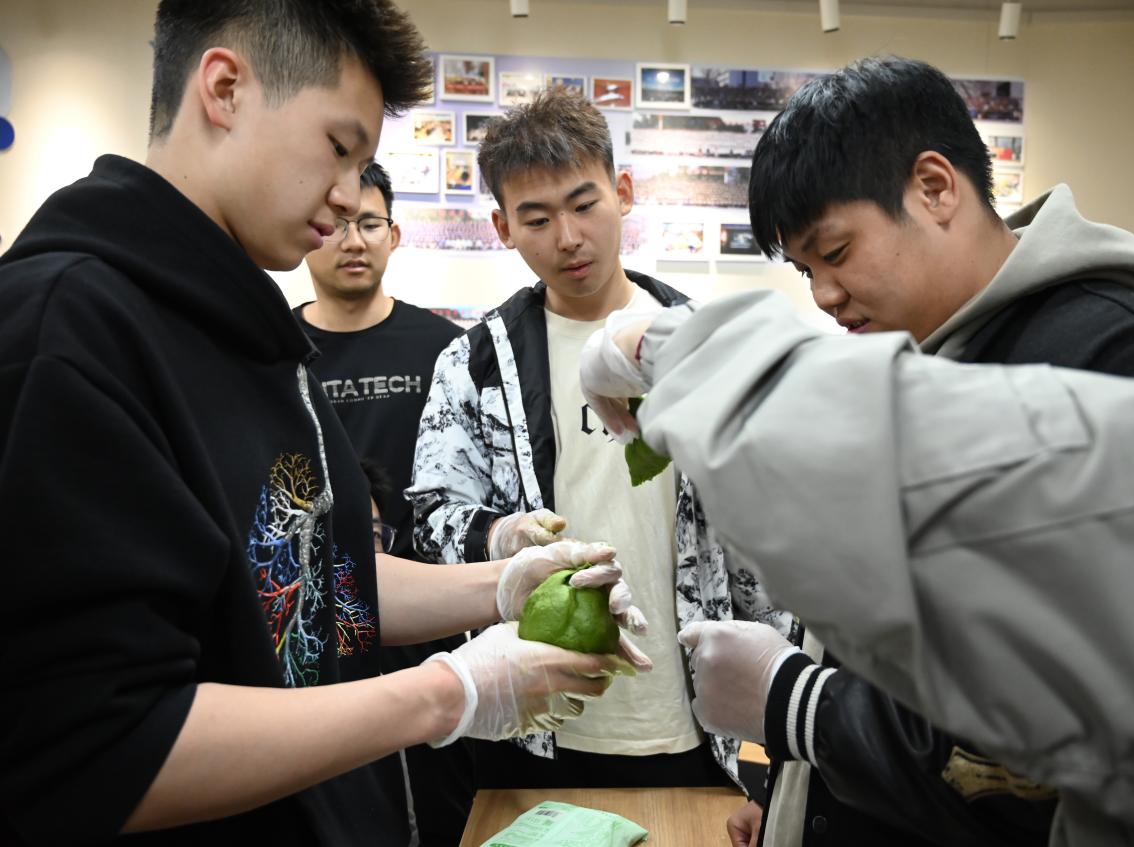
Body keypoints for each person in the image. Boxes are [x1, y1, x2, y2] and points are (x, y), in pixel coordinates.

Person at [0, 3, 648, 844]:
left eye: (364, 166)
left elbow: (316, 581)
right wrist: (446, 693)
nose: (348, 200)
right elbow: (97, 747)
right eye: (339, 149)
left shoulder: (247, 335)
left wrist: (501, 585)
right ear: (224, 89)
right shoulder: (71, 331)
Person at [694, 56, 1134, 847]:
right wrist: (792, 797)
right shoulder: (930, 365)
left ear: (935, 188)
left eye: (835, 252)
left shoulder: (1119, 367)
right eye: (807, 270)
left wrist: (791, 703)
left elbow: (1047, 745)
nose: (824, 295)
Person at [406, 87, 793, 793]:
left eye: (584, 204)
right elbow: (432, 518)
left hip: (700, 719)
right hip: (537, 717)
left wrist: (772, 729)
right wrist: (500, 536)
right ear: (501, 226)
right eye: (537, 218)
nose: (567, 237)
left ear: (624, 191)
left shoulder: (698, 342)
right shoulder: (476, 363)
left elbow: (762, 534)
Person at [296, 161, 472, 846]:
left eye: (369, 224)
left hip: (432, 625)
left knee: (444, 810)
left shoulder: (446, 350)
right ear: (310, 231)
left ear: (394, 235)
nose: (353, 240)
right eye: (338, 224)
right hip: (318, 635)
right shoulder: (276, 352)